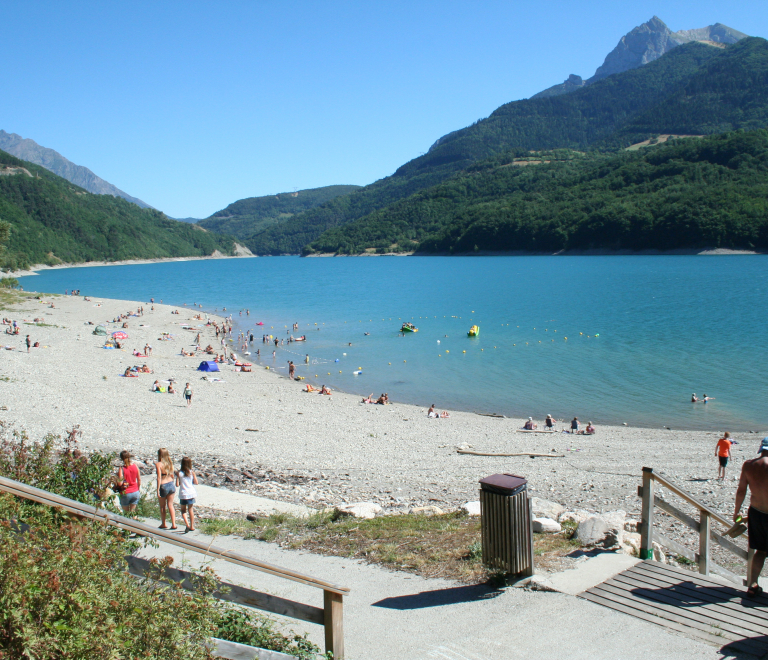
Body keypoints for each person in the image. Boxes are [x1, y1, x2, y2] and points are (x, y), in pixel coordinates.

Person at [734, 437, 768, 597]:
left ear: (761, 449)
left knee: (760, 551)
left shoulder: (748, 465)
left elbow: (741, 491)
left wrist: (737, 511)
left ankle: (752, 584)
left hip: (756, 512)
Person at [155, 448, 177, 530]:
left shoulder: (158, 464)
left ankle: (164, 523)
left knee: (162, 506)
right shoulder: (170, 463)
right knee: (171, 505)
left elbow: (159, 477)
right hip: (171, 484)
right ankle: (174, 524)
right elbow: (172, 475)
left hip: (163, 485)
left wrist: (157, 489)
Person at [176, 456, 199, 532]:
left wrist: (177, 478)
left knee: (183, 510)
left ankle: (187, 524)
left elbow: (177, 484)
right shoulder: (191, 472)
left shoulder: (180, 473)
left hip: (183, 493)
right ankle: (192, 526)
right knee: (190, 509)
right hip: (191, 493)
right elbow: (196, 482)